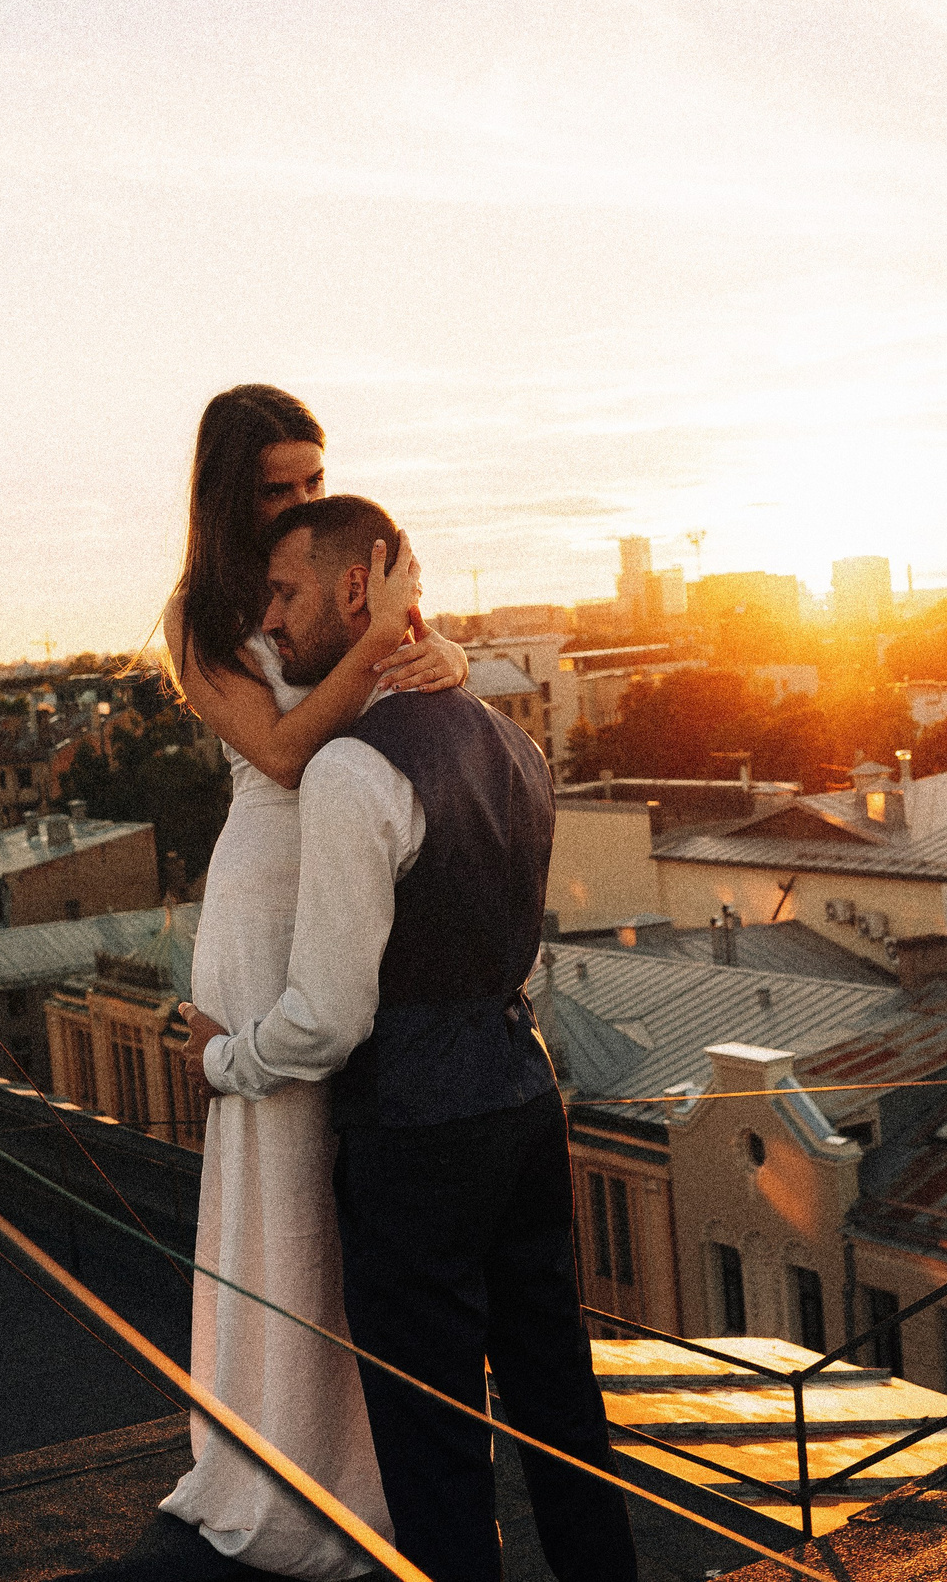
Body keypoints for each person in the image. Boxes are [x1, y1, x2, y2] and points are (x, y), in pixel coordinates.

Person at [184, 496, 638, 1582]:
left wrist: (219, 1057)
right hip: (524, 1102)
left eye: (286, 596)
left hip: (415, 1132)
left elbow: (330, 1018)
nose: (271, 627)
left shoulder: (349, 771)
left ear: (357, 593)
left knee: (434, 1443)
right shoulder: (512, 743)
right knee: (558, 1398)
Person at [153, 388, 469, 1580]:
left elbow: (432, 686)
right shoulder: (200, 615)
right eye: (275, 487)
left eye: (309, 479)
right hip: (260, 912)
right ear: (227, 492)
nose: (299, 502)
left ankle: (365, 1467)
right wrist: (387, 639)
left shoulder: (345, 573)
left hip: (355, 902)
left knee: (359, 1200)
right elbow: (283, 750)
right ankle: (280, 1475)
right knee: (281, 1195)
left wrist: (433, 645)